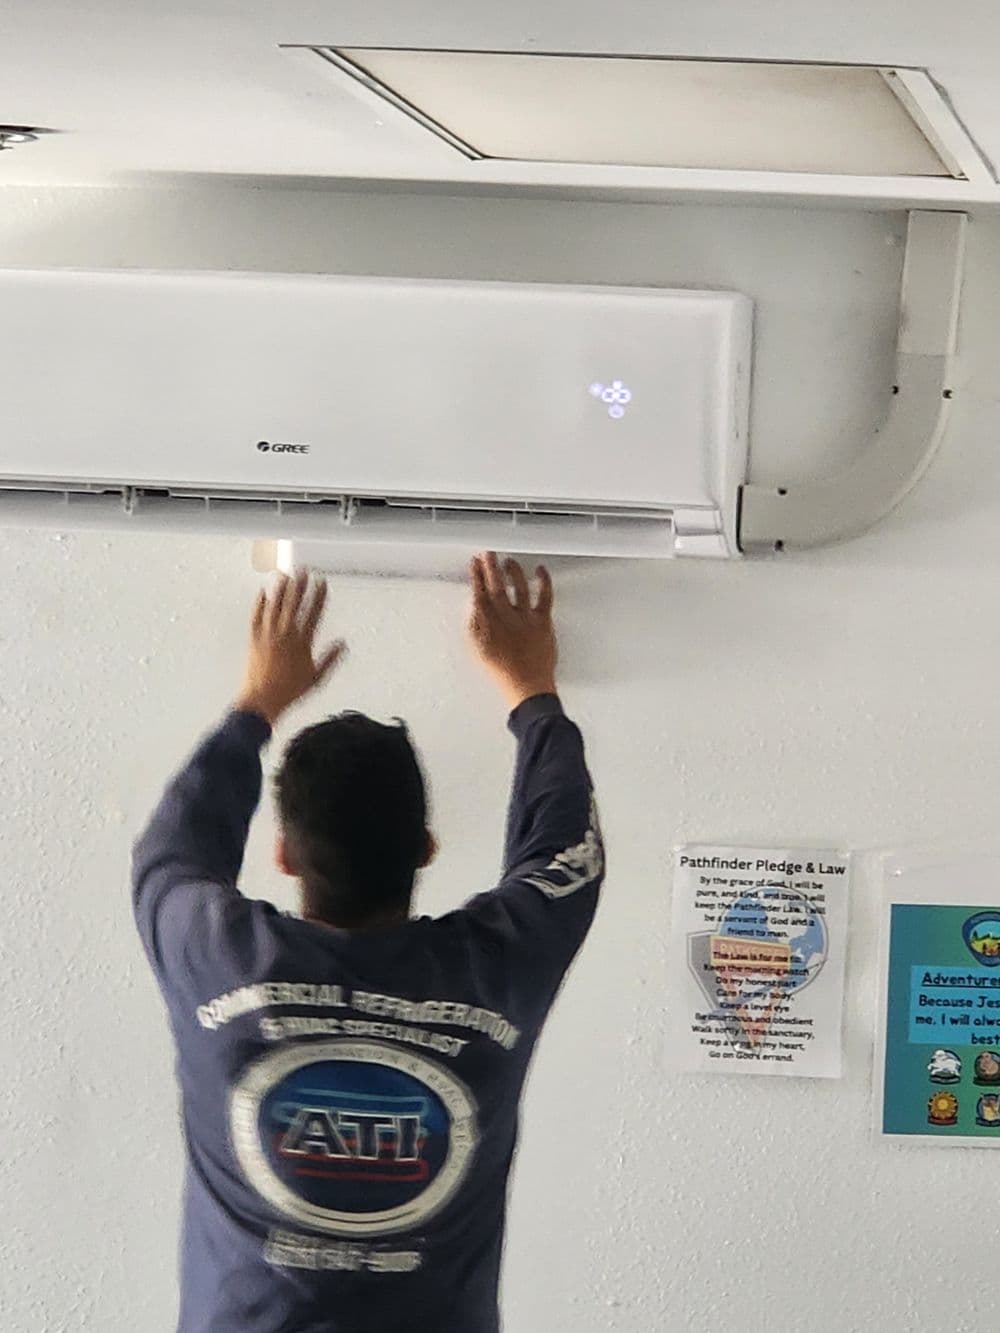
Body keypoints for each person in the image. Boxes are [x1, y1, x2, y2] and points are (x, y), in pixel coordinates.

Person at [132, 550, 604, 1333]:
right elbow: (564, 858)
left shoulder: (216, 960)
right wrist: (532, 692)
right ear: (426, 846)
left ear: (283, 854)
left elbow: (169, 850)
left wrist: (259, 701)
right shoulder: (490, 972)